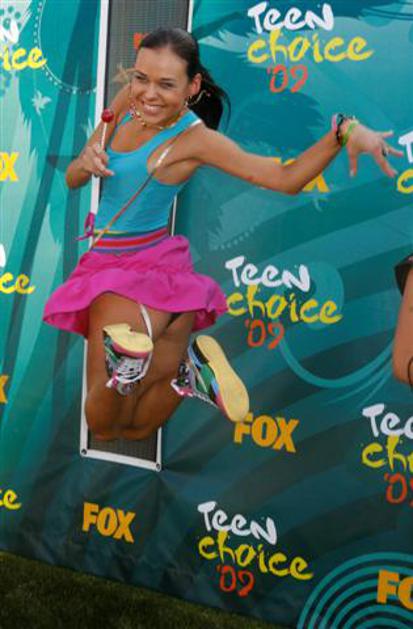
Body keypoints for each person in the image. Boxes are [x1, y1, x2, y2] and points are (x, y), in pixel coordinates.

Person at [43, 28, 402, 442]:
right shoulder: (128, 102)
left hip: (123, 282)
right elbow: (73, 177)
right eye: (141, 78)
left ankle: (127, 365)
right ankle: (190, 373)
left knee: (103, 427)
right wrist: (86, 163)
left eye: (166, 84)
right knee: (139, 428)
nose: (149, 93)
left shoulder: (195, 140)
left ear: (193, 86)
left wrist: (343, 131)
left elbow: (284, 178)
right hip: (167, 285)